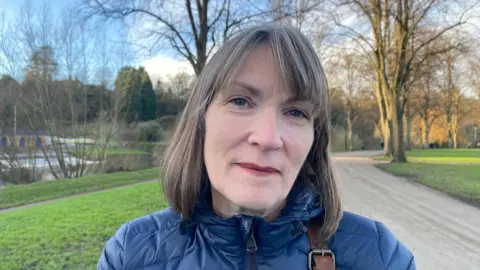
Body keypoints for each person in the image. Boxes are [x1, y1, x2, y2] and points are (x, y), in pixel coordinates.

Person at [97, 23, 416, 270]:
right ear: (200, 119)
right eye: (240, 101)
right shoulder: (131, 253)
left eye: (296, 112)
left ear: (314, 140)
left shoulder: (380, 256)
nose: (267, 138)